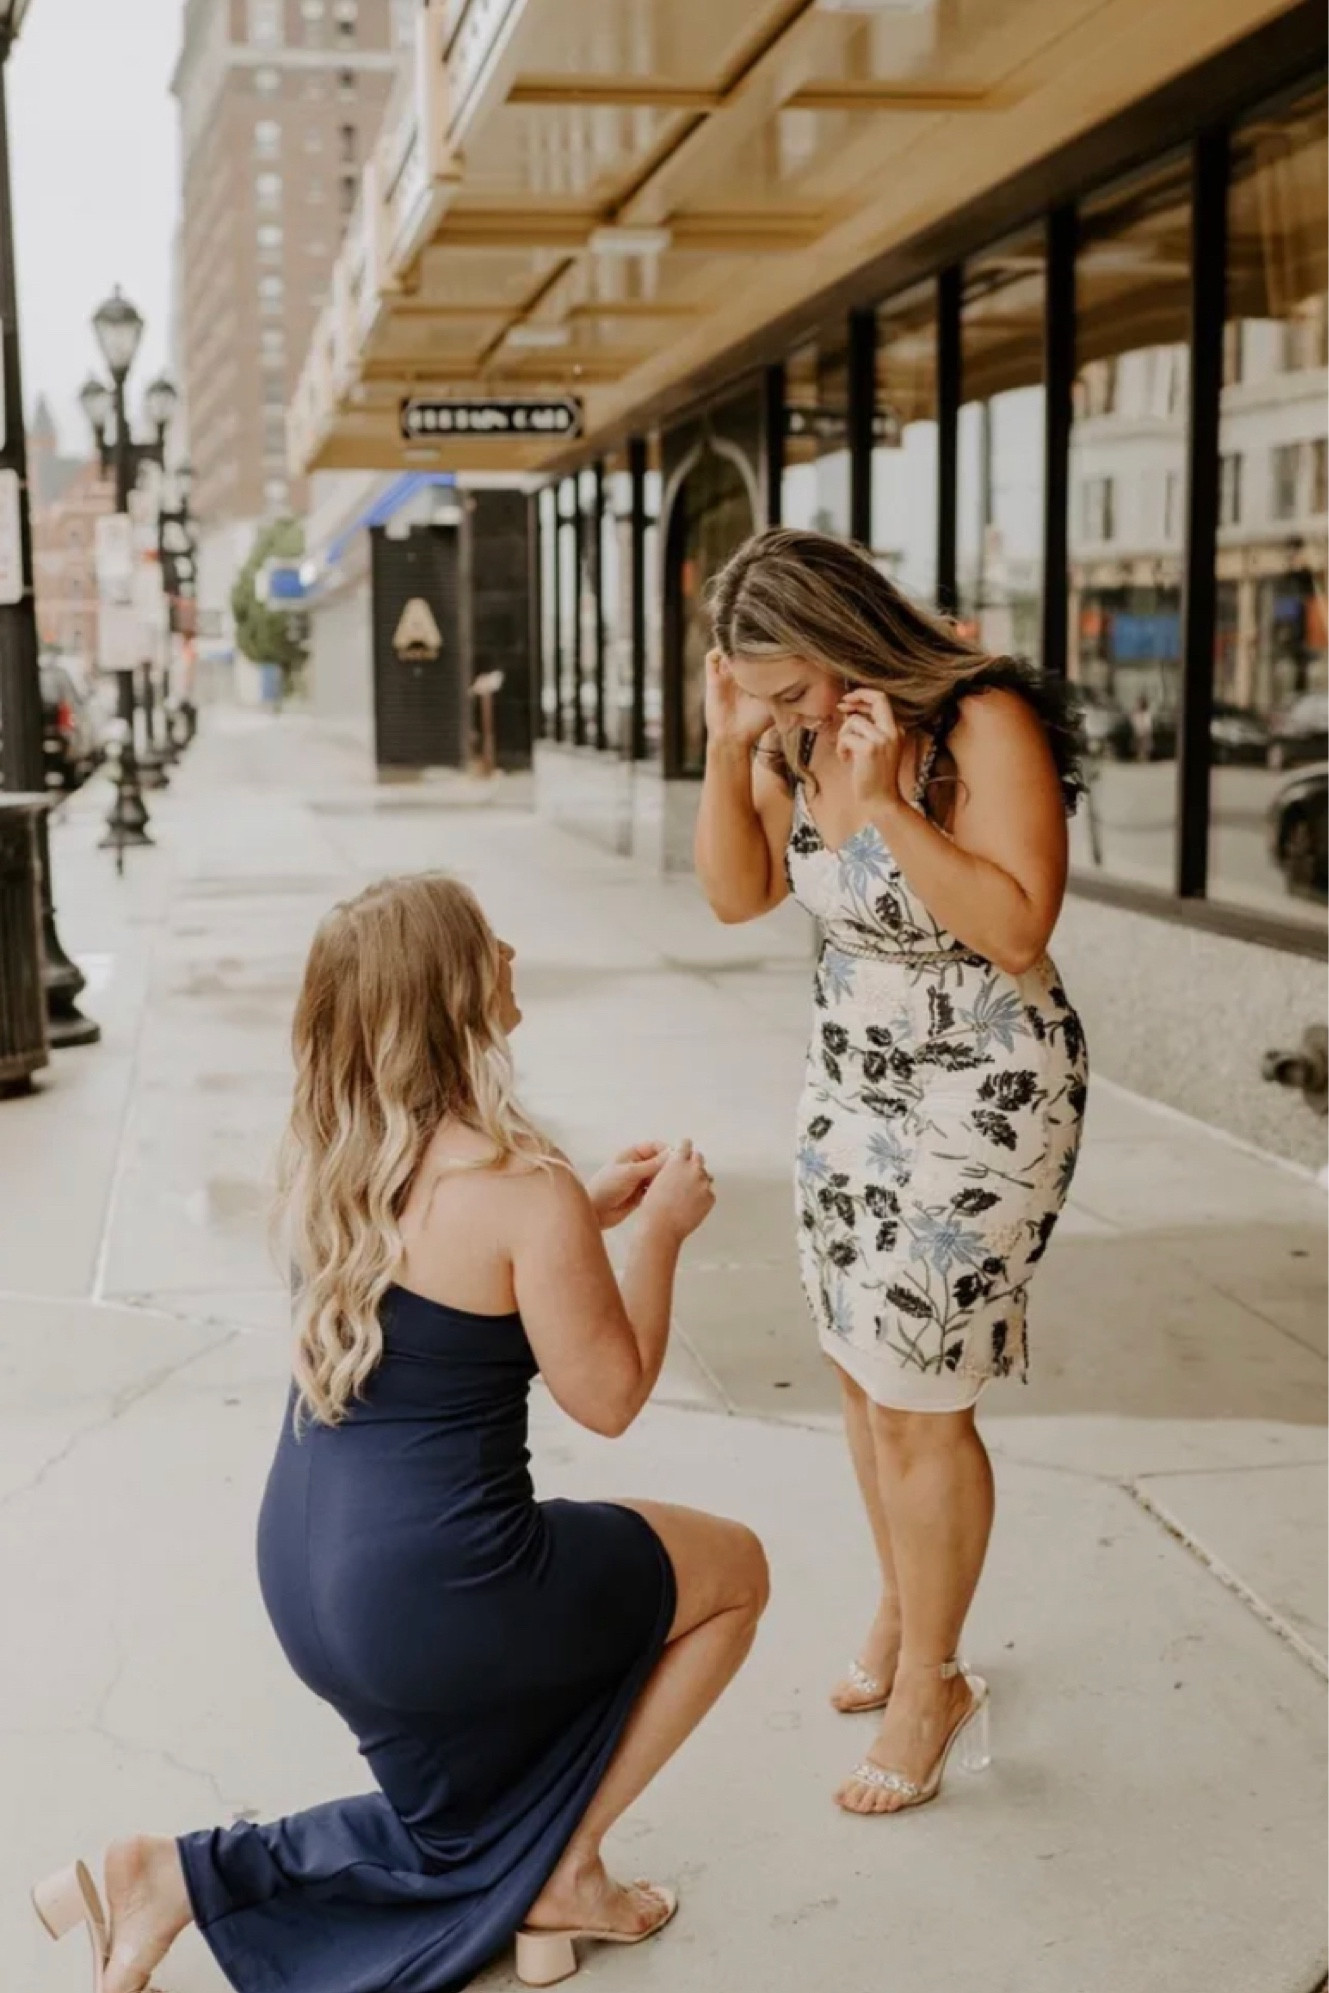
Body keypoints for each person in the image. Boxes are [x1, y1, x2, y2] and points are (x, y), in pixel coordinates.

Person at [33, 874, 769, 1993]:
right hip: (438, 1590)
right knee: (734, 1573)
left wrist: (585, 1219)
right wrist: (658, 1234)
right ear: (456, 991)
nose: (513, 946)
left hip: (309, 1578)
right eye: (491, 938)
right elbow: (610, 1397)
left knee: (474, 1815)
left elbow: (454, 1296)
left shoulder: (332, 1164)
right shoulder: (523, 1182)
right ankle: (564, 1869)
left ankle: (173, 1875)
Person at [694, 528, 1087, 1818]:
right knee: (867, 1380)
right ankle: (907, 1597)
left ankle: (935, 1677)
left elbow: (1019, 924)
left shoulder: (980, 723)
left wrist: (894, 815)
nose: (785, 712)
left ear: (850, 635)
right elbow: (738, 895)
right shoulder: (787, 740)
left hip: (987, 1085)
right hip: (851, 1081)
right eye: (758, 692)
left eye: (791, 681)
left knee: (922, 1394)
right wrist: (723, 744)